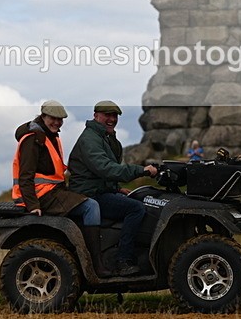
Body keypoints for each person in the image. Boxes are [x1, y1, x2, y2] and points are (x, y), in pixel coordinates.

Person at [13, 99, 112, 278]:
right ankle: (96, 265)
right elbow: (25, 176)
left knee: (87, 201)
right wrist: (33, 205)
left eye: (60, 119)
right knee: (91, 206)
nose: (57, 122)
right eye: (53, 118)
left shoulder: (50, 136)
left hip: (53, 193)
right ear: (43, 116)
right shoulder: (34, 139)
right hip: (42, 196)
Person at [68, 100, 158, 276]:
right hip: (89, 195)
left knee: (138, 200)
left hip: (98, 190)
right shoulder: (90, 139)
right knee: (136, 209)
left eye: (114, 116)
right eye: (107, 115)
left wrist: (116, 190)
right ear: (96, 116)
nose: (111, 119)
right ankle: (124, 260)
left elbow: (100, 174)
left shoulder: (104, 137)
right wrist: (142, 170)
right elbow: (105, 168)